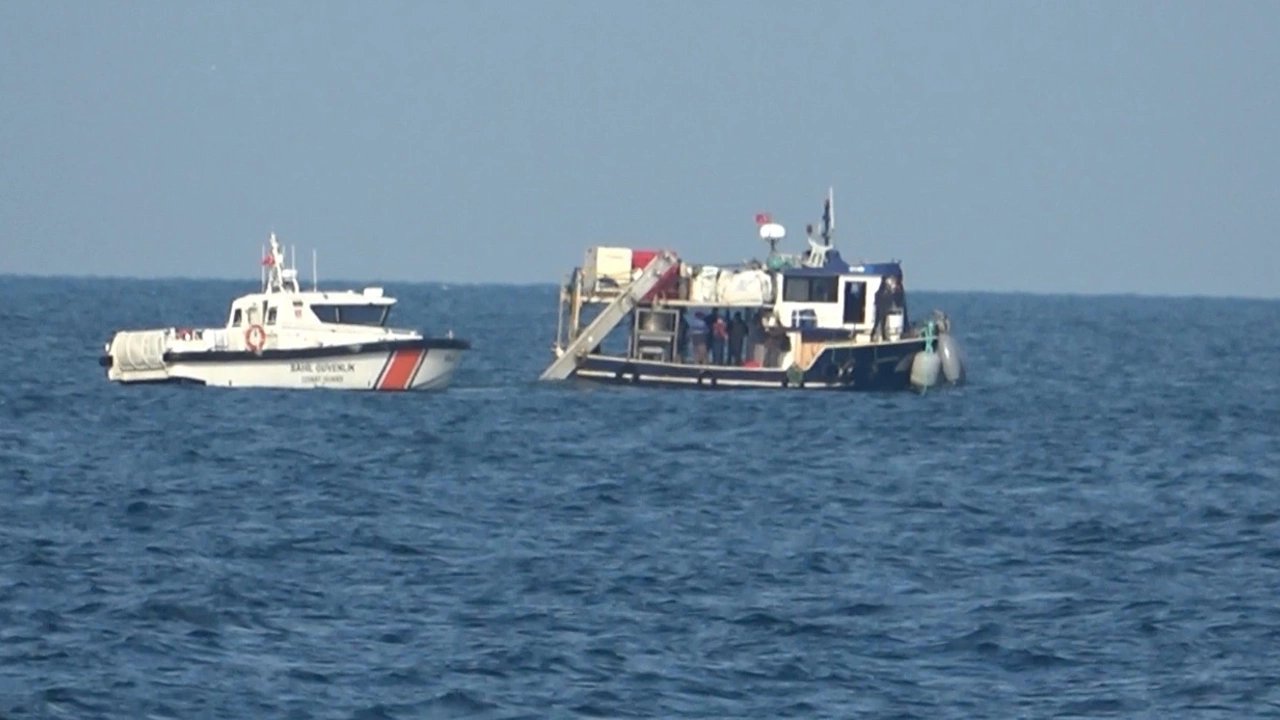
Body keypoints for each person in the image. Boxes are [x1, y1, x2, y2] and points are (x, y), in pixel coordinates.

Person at [871, 275, 893, 342]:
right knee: (882, 324)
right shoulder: (885, 291)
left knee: (877, 323)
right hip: (882, 309)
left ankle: (872, 335)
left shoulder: (879, 292)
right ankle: (883, 337)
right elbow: (888, 299)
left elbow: (876, 301)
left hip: (879, 309)